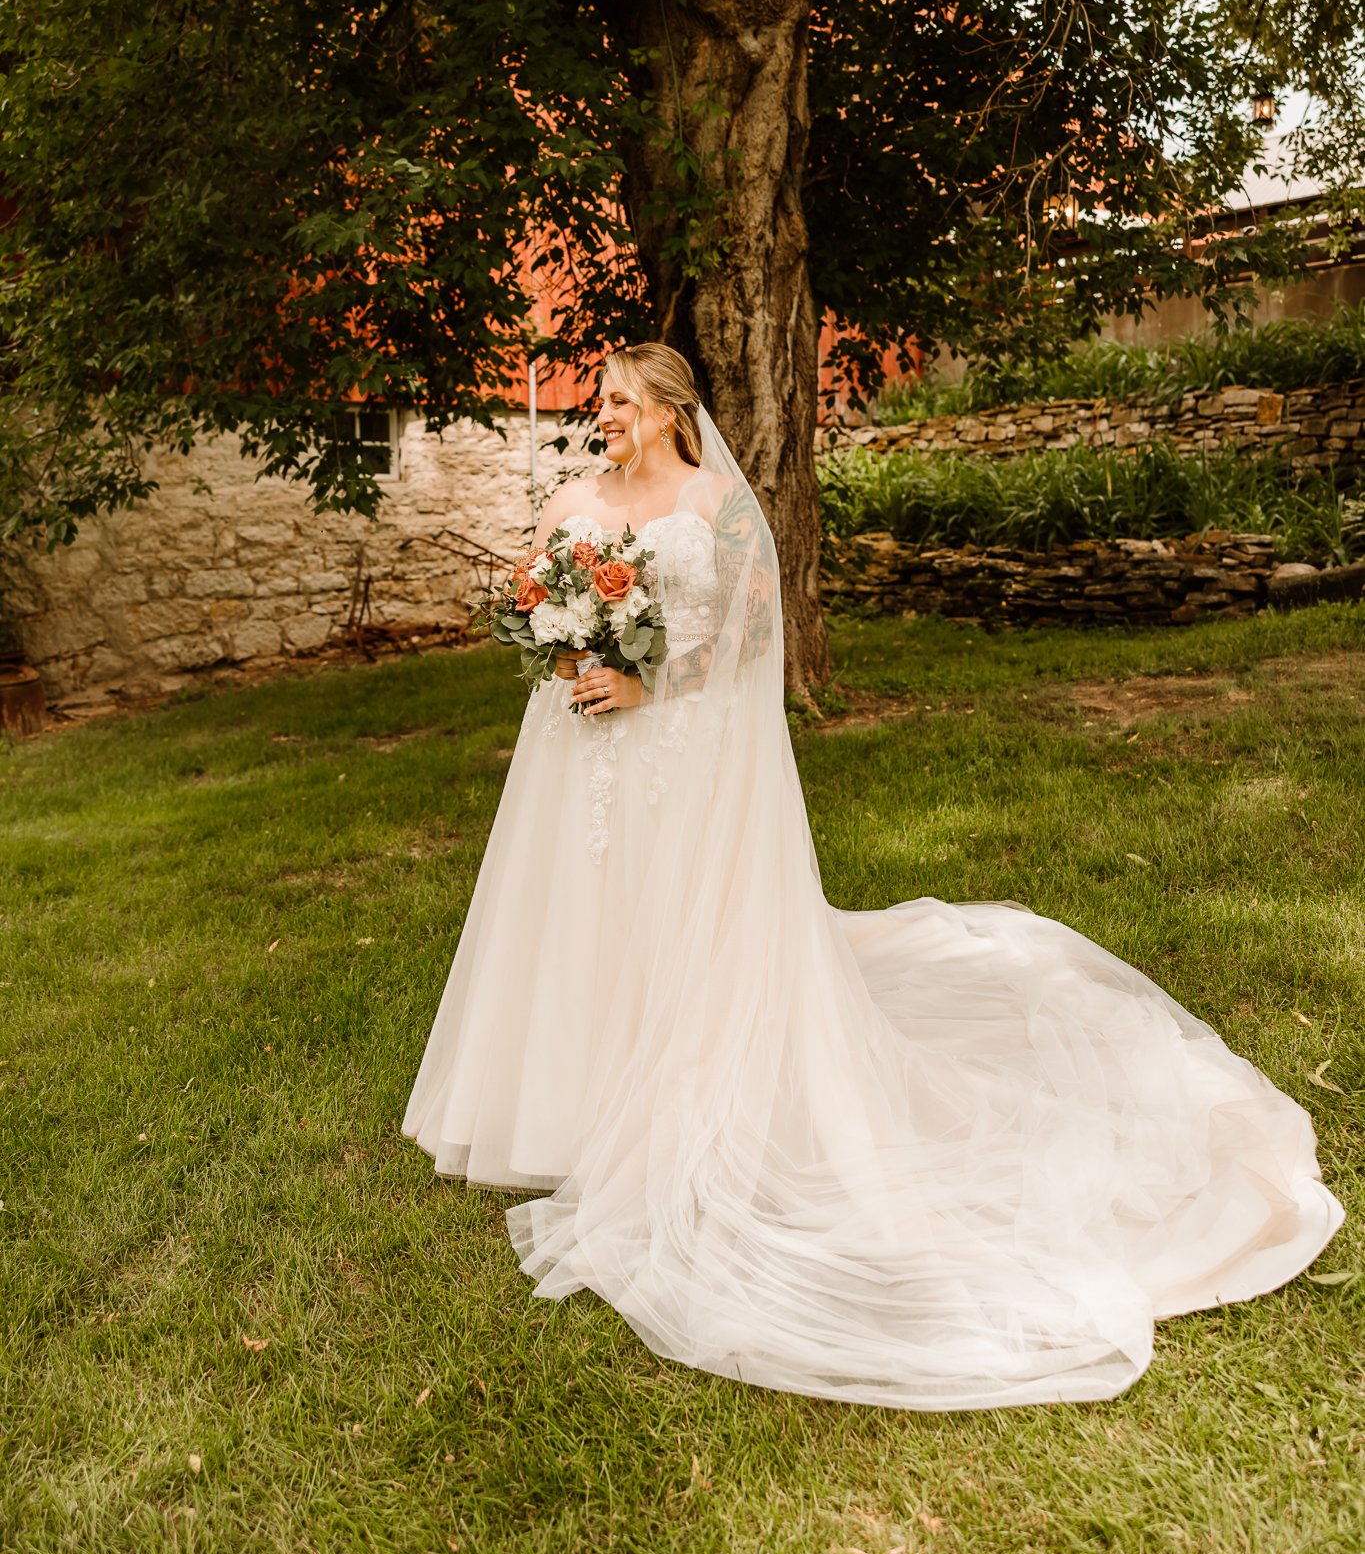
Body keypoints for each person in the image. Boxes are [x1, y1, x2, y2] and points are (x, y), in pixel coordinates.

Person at [403, 342, 1343, 1410]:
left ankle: (667, 1107)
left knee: (675, 923)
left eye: (621, 400)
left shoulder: (717, 502)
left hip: (675, 743)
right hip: (578, 747)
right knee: (576, 917)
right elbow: (538, 598)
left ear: (671, 410)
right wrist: (569, 653)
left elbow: (752, 637)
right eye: (600, 400)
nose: (603, 413)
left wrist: (646, 679)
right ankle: (567, 1108)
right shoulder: (572, 492)